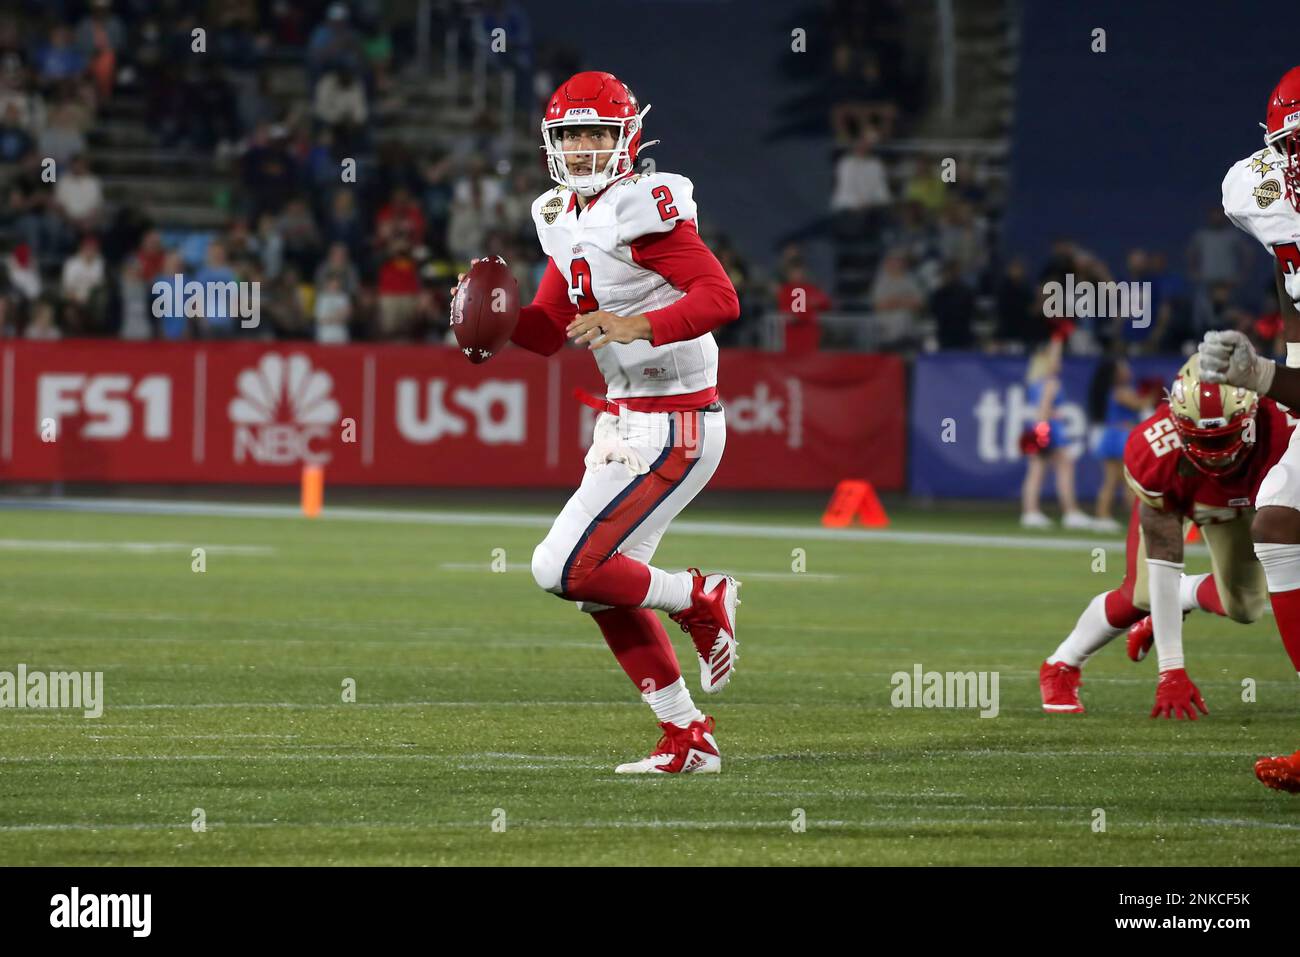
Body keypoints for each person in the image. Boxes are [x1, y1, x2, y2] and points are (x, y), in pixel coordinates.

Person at [450, 72, 741, 774]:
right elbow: (552, 329)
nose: (582, 149)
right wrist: (493, 319)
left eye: (596, 134)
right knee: (595, 584)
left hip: (679, 422)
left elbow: (720, 296)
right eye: (570, 135)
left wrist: (636, 322)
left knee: (566, 566)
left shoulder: (643, 204)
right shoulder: (558, 212)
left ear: (626, 137)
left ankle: (699, 594)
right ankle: (687, 735)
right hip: (627, 422)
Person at [1041, 356, 1290, 716]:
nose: (1214, 456)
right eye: (1201, 438)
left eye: (1224, 437)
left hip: (1245, 502)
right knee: (1141, 594)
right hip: (1190, 496)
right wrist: (1171, 670)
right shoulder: (1154, 448)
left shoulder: (1284, 427)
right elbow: (1163, 558)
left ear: (1252, 413)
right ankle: (1061, 664)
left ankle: (1183, 596)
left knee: (1246, 607)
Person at [1197, 64, 1300, 792]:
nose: (1293, 164)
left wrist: (1264, 377)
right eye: (1288, 146)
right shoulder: (1264, 192)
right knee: (1277, 519)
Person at [1021, 334, 1095, 530]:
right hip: (1048, 429)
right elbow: (1043, 408)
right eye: (1056, 358)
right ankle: (1068, 512)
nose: (1059, 361)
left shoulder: (1036, 381)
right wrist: (1043, 433)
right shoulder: (1049, 382)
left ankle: (1033, 512)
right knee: (1058, 468)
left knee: (1038, 471)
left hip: (1043, 427)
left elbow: (1042, 408)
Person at [1088, 352, 1149, 530]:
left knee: (1115, 480)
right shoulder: (1121, 391)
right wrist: (1153, 395)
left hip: (1113, 436)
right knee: (1126, 481)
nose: (1128, 370)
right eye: (1124, 368)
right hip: (1119, 438)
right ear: (1117, 373)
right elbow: (1140, 405)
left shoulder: (1116, 391)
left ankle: (1104, 515)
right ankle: (1112, 516)